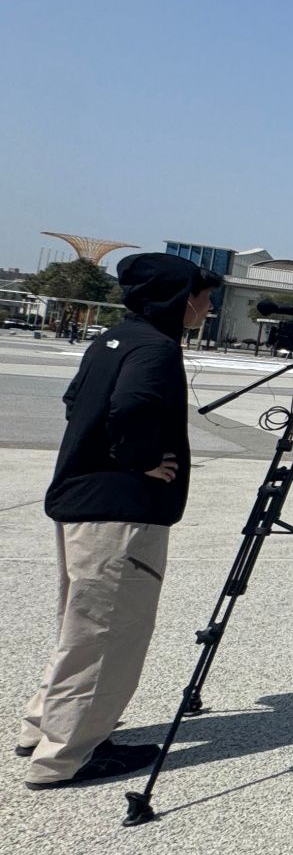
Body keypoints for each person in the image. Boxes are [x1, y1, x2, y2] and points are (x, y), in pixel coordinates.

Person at [19, 254, 222, 788]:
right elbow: (131, 406)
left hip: (81, 500)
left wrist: (103, 451)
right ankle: (68, 755)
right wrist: (140, 459)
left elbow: (74, 401)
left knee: (81, 628)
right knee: (109, 633)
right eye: (204, 298)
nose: (207, 308)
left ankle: (41, 726)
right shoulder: (156, 347)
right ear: (179, 298)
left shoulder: (112, 338)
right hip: (120, 512)